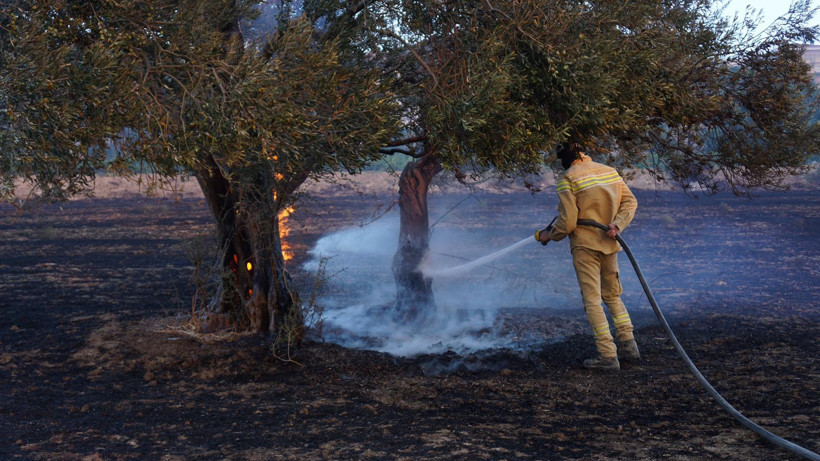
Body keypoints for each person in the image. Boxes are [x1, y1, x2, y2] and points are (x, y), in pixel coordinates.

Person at [536, 142, 639, 371]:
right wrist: (618, 225)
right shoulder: (609, 171)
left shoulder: (568, 179)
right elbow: (630, 201)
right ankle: (628, 346)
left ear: (565, 157)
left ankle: (607, 355)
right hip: (609, 242)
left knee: (592, 300)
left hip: (585, 246)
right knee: (612, 296)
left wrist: (549, 235)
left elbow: (568, 223)